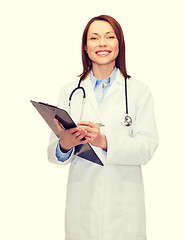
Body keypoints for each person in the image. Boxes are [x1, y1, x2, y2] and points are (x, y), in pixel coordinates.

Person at [48, 15, 159, 240]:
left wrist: (104, 142)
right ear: (85, 47)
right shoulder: (69, 92)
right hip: (83, 207)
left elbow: (147, 147)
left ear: (119, 44)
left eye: (110, 37)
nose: (102, 43)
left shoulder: (138, 92)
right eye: (94, 38)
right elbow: (53, 153)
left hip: (124, 208)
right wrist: (64, 144)